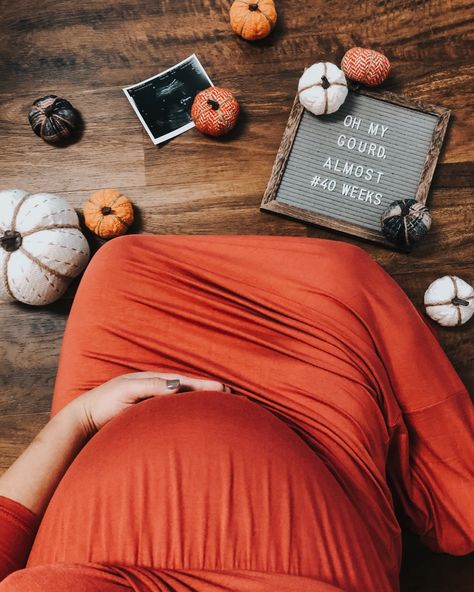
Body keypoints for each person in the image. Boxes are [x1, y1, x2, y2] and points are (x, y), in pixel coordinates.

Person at [0, 234, 472, 592]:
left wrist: (80, 417)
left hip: (110, 443)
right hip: (301, 542)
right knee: (342, 278)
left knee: (123, 262)